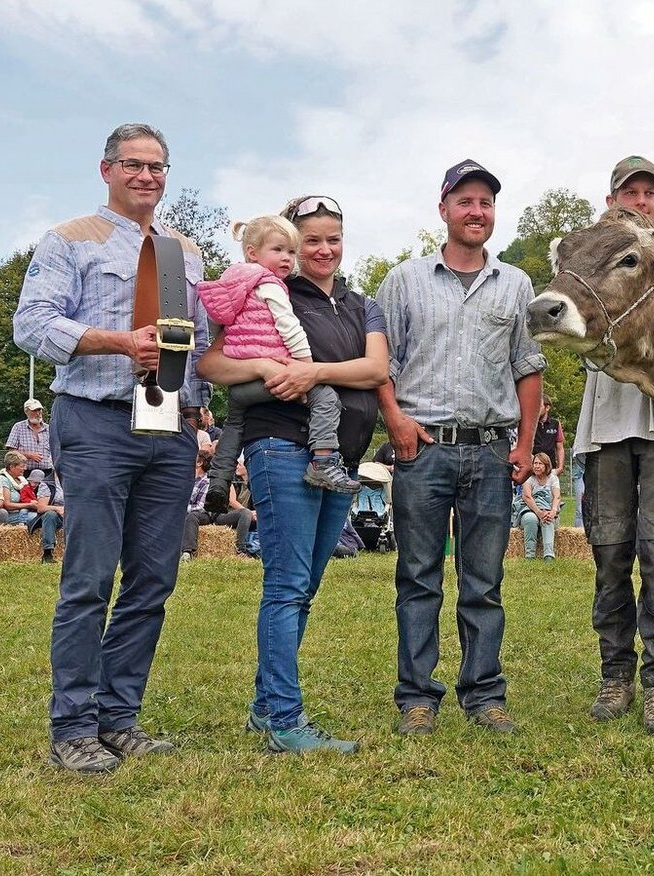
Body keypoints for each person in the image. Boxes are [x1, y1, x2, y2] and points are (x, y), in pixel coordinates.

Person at [13, 122, 210, 774]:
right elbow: (32, 325)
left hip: (169, 426)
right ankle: (72, 726)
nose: (147, 176)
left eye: (157, 166)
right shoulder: (70, 239)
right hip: (95, 421)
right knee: (90, 579)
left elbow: (200, 346)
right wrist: (120, 342)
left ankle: (119, 719)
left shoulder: (186, 250)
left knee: (153, 579)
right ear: (107, 170)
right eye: (134, 165)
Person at [199, 192, 387, 755]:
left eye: (334, 238)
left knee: (304, 587)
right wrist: (260, 365)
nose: (323, 249)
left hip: (341, 459)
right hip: (282, 448)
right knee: (286, 585)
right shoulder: (267, 287)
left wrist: (309, 373)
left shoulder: (361, 303)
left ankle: (266, 708)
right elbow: (210, 362)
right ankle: (284, 719)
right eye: (311, 240)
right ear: (290, 246)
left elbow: (376, 368)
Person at [377, 160, 545, 737]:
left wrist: (524, 443)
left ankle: (484, 694)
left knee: (484, 581)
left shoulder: (517, 285)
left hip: (491, 450)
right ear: (443, 208)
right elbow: (382, 362)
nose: (477, 212)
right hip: (422, 449)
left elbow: (527, 366)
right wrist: (395, 420)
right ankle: (417, 697)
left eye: (487, 203)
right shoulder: (404, 280)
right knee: (419, 575)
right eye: (466, 201)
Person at [573, 156, 654, 734]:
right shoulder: (588, 257)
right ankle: (615, 673)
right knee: (610, 553)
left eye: (649, 193)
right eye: (629, 192)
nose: (639, 201)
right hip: (605, 429)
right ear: (611, 197)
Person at [199, 215, 362, 510]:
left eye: (290, 251)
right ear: (252, 252)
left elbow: (218, 326)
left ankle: (219, 482)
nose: (287, 258)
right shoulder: (270, 285)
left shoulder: (232, 283)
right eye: (279, 250)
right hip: (267, 379)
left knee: (234, 424)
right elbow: (289, 327)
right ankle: (323, 461)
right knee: (325, 396)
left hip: (240, 382)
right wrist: (306, 368)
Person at [181, 456, 255, 560]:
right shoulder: (190, 481)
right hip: (204, 514)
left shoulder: (220, 480)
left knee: (245, 513)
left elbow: (231, 500)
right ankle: (187, 552)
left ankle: (240, 550)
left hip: (220, 514)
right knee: (192, 516)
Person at [0, 451, 62, 563]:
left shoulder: (21, 480)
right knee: (45, 516)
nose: (25, 469)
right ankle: (47, 552)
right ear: (12, 467)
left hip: (26, 510)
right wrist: (30, 504)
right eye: (22, 466)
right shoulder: (3, 480)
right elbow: (6, 505)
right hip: (13, 514)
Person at [520, 452, 561, 559]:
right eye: (535, 463)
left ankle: (548, 555)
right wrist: (539, 513)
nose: (536, 466)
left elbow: (557, 497)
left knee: (548, 520)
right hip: (529, 510)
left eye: (540, 464)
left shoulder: (553, 478)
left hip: (547, 510)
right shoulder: (528, 478)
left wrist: (553, 511)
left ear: (547, 466)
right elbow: (527, 497)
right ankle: (530, 555)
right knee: (531, 519)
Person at [5, 399, 53, 483]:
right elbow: (11, 452)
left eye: (39, 410)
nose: (38, 413)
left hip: (47, 473)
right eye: (34, 410)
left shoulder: (49, 429)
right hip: (25, 474)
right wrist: (28, 455)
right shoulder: (18, 427)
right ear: (26, 412)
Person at [531, 396, 565, 474]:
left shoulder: (555, 424)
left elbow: (560, 448)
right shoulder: (530, 424)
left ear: (547, 407)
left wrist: (560, 468)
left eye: (539, 406)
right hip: (533, 469)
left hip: (550, 469)